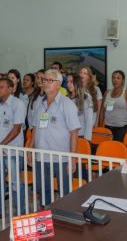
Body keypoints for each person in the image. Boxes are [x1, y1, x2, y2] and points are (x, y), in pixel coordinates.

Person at [29, 69, 80, 206]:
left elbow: (74, 132)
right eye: (44, 80)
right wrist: (30, 150)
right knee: (44, 192)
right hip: (41, 156)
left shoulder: (67, 104)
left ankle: (65, 221)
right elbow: (35, 129)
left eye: (49, 80)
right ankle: (46, 217)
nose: (45, 83)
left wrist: (73, 159)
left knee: (65, 194)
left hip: (61, 158)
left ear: (58, 84)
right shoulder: (39, 104)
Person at [0, 78, 26, 218]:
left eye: (2, 87)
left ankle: (19, 213)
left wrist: (0, 146)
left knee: (15, 183)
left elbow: (17, 129)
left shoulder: (18, 104)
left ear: (11, 89)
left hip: (12, 151)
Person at [101, 70, 127, 142]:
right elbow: (102, 112)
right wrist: (100, 128)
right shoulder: (107, 93)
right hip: (107, 127)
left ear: (123, 81)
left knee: (118, 151)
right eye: (113, 78)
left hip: (121, 129)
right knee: (107, 150)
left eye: (118, 78)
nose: (115, 80)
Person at [67, 74, 94, 141]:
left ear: (77, 83)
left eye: (71, 82)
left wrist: (87, 140)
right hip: (68, 136)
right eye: (67, 82)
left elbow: (89, 121)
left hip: (81, 137)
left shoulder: (85, 98)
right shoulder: (66, 98)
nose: (68, 84)